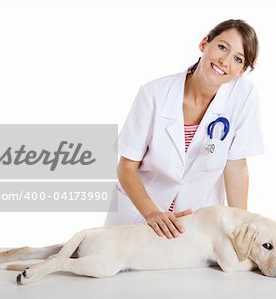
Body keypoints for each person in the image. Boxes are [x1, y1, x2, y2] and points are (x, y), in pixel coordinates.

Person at [105, 19, 264, 239]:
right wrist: (152, 213)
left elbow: (236, 167)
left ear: (241, 71)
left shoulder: (243, 96)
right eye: (222, 47)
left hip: (195, 224)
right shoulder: (153, 95)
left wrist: (243, 228)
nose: (225, 61)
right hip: (138, 217)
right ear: (204, 43)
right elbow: (126, 166)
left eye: (238, 59)